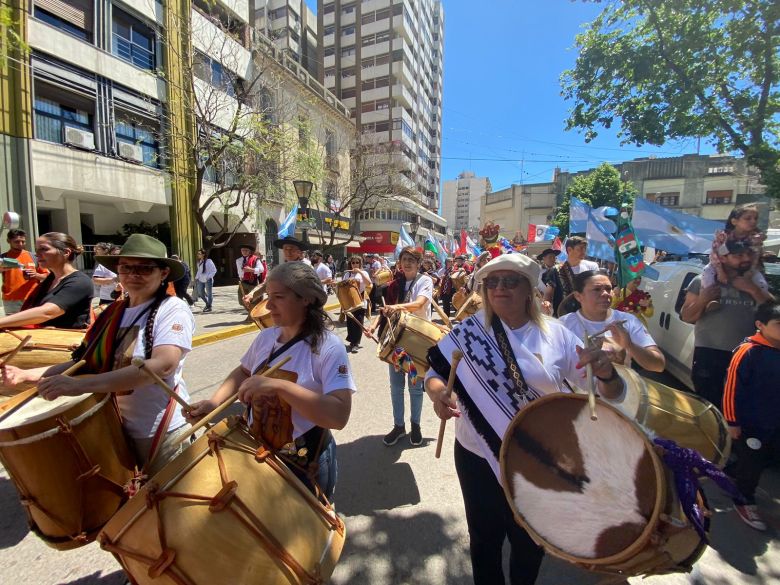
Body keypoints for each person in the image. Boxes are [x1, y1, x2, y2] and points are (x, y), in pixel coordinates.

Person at [424, 253, 624, 585]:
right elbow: (435, 373)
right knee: (484, 539)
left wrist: (605, 372)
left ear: (529, 288)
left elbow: (607, 393)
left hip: (538, 459)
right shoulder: (468, 332)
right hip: (477, 455)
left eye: (510, 281)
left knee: (530, 540)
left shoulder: (557, 336)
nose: (500, 288)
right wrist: (438, 395)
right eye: (492, 282)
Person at [2, 234, 194, 473]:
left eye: (145, 269)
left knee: (165, 507)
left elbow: (163, 365)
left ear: (163, 273)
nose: (134, 275)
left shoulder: (172, 308)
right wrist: (25, 375)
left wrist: (80, 386)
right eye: (126, 268)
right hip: (112, 428)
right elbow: (83, 362)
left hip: (158, 431)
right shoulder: (112, 312)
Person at [187, 262, 354, 500]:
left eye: (278, 297)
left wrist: (279, 386)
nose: (268, 305)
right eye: (268, 296)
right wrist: (214, 403)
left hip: (304, 461)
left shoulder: (328, 346)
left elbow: (338, 416)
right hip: (259, 451)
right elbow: (244, 372)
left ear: (305, 299)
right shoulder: (267, 337)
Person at [681, 240, 774, 407]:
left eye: (747, 254)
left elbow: (773, 313)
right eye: (738, 255)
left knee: (740, 407)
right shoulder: (702, 281)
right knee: (709, 406)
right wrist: (703, 300)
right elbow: (687, 316)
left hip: (747, 355)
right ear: (724, 258)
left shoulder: (756, 283)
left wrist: (753, 290)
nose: (744, 259)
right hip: (710, 356)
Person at [722, 300, 780, 531]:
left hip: (774, 423)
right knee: (752, 463)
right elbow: (731, 388)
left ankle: (735, 475)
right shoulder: (748, 351)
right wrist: (732, 421)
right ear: (760, 325)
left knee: (763, 460)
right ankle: (744, 499)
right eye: (778, 324)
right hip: (751, 424)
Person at [369, 246, 433, 447]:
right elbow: (385, 311)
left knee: (415, 387)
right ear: (400, 262)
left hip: (416, 343)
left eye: (412, 260)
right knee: (396, 387)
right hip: (396, 342)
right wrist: (372, 327)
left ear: (419, 263)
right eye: (404, 259)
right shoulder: (394, 284)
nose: (407, 263)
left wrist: (396, 307)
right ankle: (399, 426)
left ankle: (416, 425)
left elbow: (420, 303)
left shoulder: (425, 281)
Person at [559, 270, 665, 372]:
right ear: (578, 296)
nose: (606, 293)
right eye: (597, 289)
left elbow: (659, 365)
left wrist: (629, 345)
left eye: (608, 289)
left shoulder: (628, 320)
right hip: (577, 389)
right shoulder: (564, 324)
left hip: (619, 388)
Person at [0, 232, 93, 329]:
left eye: (44, 249)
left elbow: (47, 312)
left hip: (66, 341)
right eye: (37, 250)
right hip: (41, 339)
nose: (36, 254)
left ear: (66, 252)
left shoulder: (80, 282)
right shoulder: (51, 279)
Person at [704, 204, 766, 289]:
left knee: (761, 284)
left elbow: (755, 256)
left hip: (749, 268)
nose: (753, 221)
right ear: (734, 221)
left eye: (755, 218)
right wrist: (720, 272)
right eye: (748, 218)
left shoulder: (755, 238)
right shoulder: (723, 236)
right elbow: (715, 254)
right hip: (719, 266)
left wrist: (750, 272)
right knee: (708, 274)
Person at [543, 236, 600, 316]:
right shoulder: (556, 270)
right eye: (580, 249)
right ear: (569, 250)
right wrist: (546, 303)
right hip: (563, 314)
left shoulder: (592, 267)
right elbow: (548, 293)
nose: (583, 252)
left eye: (584, 249)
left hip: (588, 314)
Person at [1, 228, 48, 314]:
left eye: (23, 241)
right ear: (9, 241)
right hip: (11, 300)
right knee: (13, 326)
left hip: (32, 297)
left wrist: (36, 275)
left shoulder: (34, 257)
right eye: (17, 241)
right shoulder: (3, 258)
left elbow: (47, 276)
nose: (21, 244)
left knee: (32, 325)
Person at [342, 255, 371, 353]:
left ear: (360, 263)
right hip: (349, 300)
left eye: (357, 262)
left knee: (358, 321)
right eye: (353, 262)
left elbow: (369, 283)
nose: (354, 264)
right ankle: (352, 341)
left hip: (360, 299)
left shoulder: (364, 272)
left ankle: (356, 343)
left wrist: (360, 272)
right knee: (350, 321)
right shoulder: (347, 274)